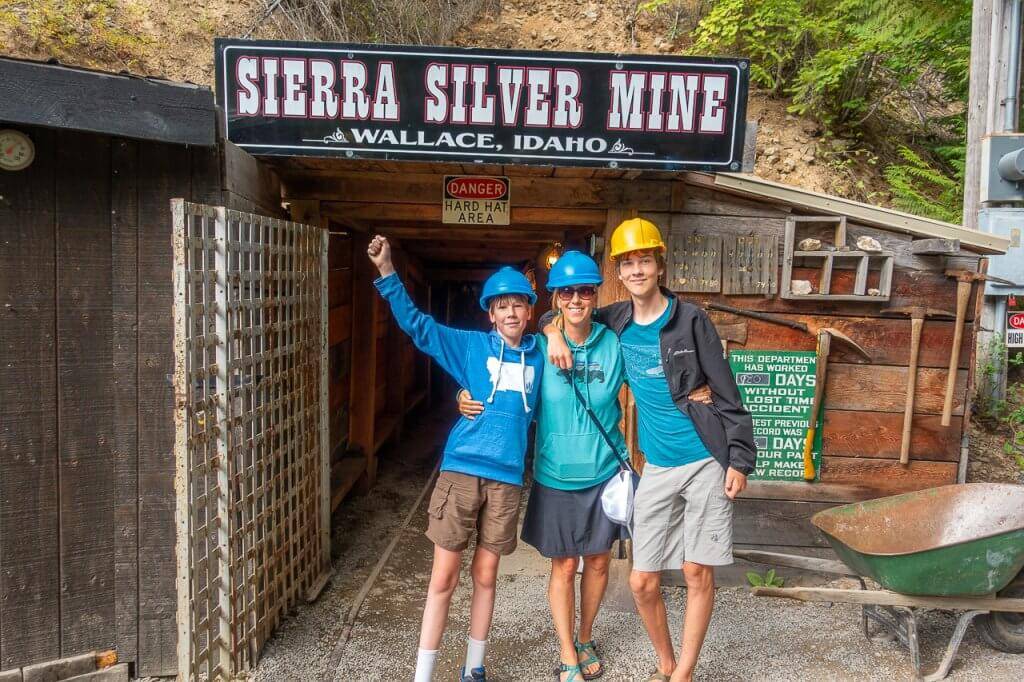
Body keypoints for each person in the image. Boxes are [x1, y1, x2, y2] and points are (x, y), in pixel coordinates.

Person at [458, 251, 713, 682]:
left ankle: (586, 635)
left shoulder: (615, 342)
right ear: (556, 298)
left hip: (604, 473)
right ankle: (565, 652)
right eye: (567, 291)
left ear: (596, 296)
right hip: (556, 473)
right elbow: (497, 380)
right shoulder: (538, 346)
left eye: (585, 291)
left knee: (597, 563)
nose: (576, 298)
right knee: (564, 566)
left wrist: (697, 392)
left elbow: (654, 378)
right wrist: (462, 397)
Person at [543, 219, 757, 682]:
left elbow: (726, 390)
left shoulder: (690, 319)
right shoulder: (615, 318)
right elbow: (564, 313)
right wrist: (552, 333)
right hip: (656, 466)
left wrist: (739, 458)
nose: (637, 270)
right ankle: (664, 657)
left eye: (644, 260)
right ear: (618, 272)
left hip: (704, 458)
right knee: (642, 579)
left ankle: (681, 673)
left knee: (697, 570)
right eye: (628, 263)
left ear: (660, 264)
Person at [368, 235, 545, 682]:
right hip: (462, 470)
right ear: (490, 313)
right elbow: (419, 327)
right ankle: (423, 675)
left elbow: (574, 329)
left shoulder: (542, 354)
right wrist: (388, 271)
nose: (510, 313)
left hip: (505, 479)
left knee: (486, 575)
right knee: (443, 577)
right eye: (501, 305)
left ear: (530, 311)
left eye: (518, 305)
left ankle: (474, 668)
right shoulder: (470, 347)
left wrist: (558, 330)